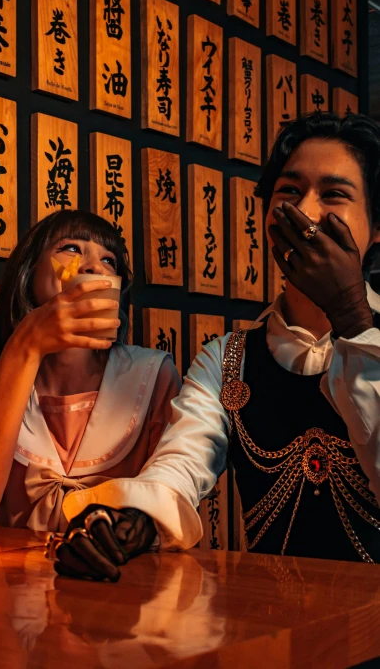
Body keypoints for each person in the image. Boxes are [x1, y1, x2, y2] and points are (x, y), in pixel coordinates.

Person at [170, 112, 380, 562]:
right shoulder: (226, 359)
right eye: (288, 191)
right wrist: (135, 516)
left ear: (376, 226)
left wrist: (351, 315)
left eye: (334, 195)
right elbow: (179, 465)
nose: (304, 212)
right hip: (273, 625)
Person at [0, 209, 196, 581]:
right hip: (7, 591)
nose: (95, 266)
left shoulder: (153, 376)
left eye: (108, 260)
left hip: (123, 589)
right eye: (71, 248)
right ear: (29, 274)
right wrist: (25, 347)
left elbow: (168, 497)